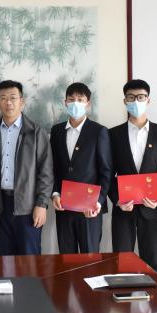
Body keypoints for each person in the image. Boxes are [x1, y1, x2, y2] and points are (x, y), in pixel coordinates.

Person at [108, 79, 157, 270]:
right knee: (121, 262)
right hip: (123, 209)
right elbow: (108, 173)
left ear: (148, 100)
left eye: (141, 97)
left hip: (150, 209)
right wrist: (117, 199)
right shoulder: (113, 134)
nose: (136, 101)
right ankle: (123, 291)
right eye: (131, 97)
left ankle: (151, 291)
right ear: (125, 101)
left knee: (151, 263)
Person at [0, 80, 53, 256]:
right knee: (5, 259)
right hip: (0, 206)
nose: (8, 102)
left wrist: (42, 204)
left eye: (13, 98)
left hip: (28, 206)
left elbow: (46, 172)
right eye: (3, 98)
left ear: (22, 101)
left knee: (29, 260)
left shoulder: (36, 132)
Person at [49, 82, 112, 254]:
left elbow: (106, 171)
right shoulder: (56, 131)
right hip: (64, 208)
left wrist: (98, 202)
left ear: (88, 104)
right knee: (66, 259)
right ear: (65, 102)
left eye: (80, 100)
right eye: (71, 99)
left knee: (90, 260)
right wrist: (55, 193)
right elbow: (52, 167)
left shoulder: (99, 131)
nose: (75, 103)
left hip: (89, 210)